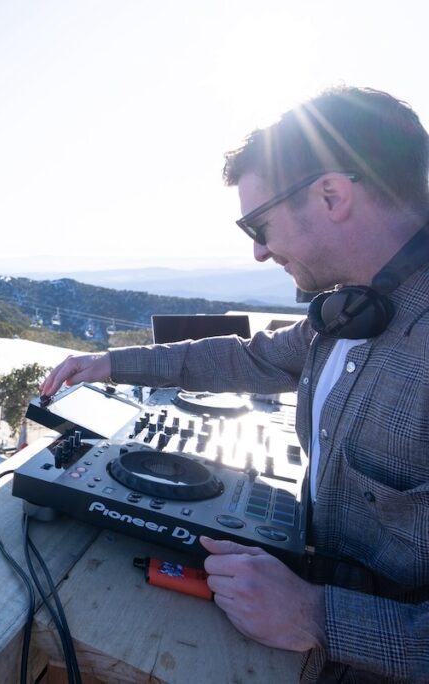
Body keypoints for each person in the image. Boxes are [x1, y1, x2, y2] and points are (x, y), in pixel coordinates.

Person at [40, 87, 429, 682]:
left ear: (332, 194)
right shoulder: (350, 311)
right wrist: (112, 365)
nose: (257, 250)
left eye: (260, 222)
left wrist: (317, 615)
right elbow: (247, 359)